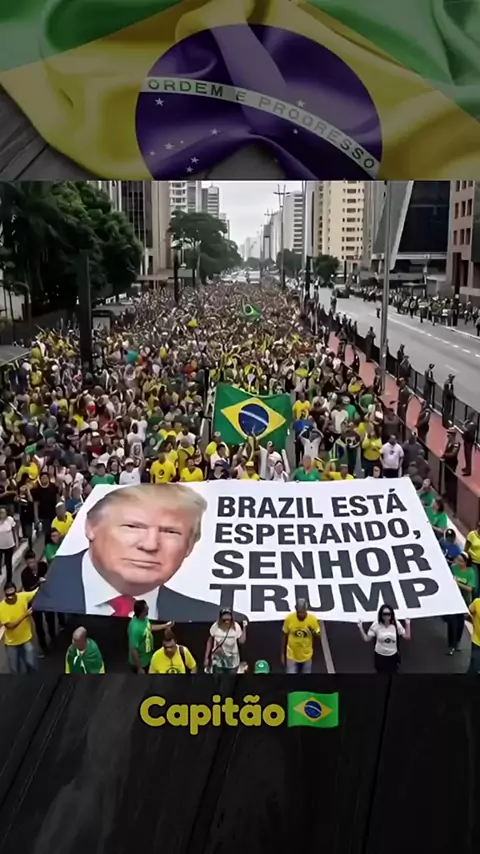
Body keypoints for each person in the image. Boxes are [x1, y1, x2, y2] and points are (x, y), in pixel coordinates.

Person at [33, 483, 238, 621]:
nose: (150, 545)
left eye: (170, 531)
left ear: (190, 546)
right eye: (133, 526)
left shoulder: (212, 617)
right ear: (91, 527)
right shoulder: (47, 590)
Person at [0, 582, 41, 673]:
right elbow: (10, 626)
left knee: (31, 666)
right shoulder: (1, 608)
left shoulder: (23, 596)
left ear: (15, 591)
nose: (11, 597)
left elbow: (35, 593)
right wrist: (25, 615)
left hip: (26, 639)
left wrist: (41, 583)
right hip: (12, 643)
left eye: (12, 593)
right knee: (14, 670)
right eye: (8, 595)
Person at [358, 605, 411, 674]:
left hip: (392, 656)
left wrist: (407, 623)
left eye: (389, 614)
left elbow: (407, 637)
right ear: (381, 615)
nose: (387, 616)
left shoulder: (396, 624)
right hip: (380, 656)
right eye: (384, 614)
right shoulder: (376, 624)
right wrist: (360, 627)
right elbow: (367, 639)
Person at [128, 599, 172, 673]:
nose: (148, 608)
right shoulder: (135, 629)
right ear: (142, 612)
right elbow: (133, 650)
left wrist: (165, 626)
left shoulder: (144, 619)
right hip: (141, 663)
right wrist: (139, 668)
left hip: (148, 658)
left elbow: (149, 628)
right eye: (146, 608)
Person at [445, 552, 475, 655]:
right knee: (452, 622)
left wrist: (457, 583)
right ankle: (451, 645)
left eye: (461, 561)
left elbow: (469, 588)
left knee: (460, 622)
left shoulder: (470, 572)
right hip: (453, 600)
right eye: (457, 559)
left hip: (463, 601)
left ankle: (457, 642)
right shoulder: (453, 568)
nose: (458, 562)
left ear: (466, 562)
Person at [281, 598, 321, 674]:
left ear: (306, 610)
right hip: (292, 655)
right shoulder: (289, 618)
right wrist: (283, 653)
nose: (301, 615)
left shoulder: (312, 620)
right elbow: (284, 634)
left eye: (302, 612)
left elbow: (319, 635)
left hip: (306, 656)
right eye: (299, 612)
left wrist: (313, 631)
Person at [204, 609, 247, 674]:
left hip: (232, 662)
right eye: (224, 620)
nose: (227, 622)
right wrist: (206, 657)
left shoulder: (236, 627)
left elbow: (241, 641)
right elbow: (209, 641)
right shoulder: (215, 626)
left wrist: (244, 627)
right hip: (218, 661)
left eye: (228, 620)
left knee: (231, 678)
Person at [0, 506, 19, 585]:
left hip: (9, 545)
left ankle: (9, 580)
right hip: (0, 546)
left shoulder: (10, 520)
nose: (2, 514)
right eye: (0, 513)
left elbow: (14, 530)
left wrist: (16, 541)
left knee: (8, 563)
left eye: (3, 512)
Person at [468, 597, 480, 673]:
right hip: (477, 641)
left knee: (474, 666)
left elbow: (469, 611)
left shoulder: (477, 602)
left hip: (477, 640)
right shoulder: (477, 602)